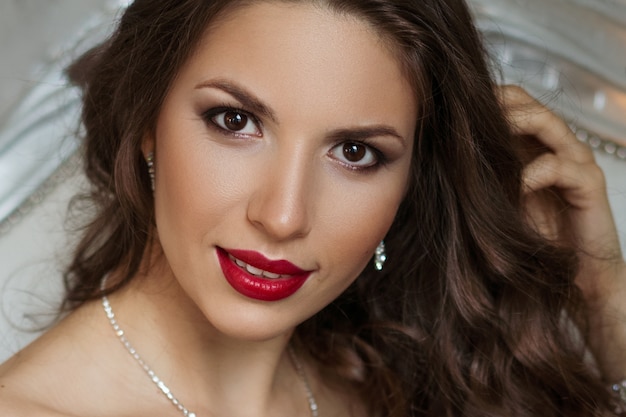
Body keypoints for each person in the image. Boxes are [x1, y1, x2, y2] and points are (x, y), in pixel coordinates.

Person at [1, 0, 625, 415]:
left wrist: (603, 297)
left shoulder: (388, 385)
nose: (283, 215)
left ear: (410, 182)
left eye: (355, 152)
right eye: (234, 120)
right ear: (147, 124)